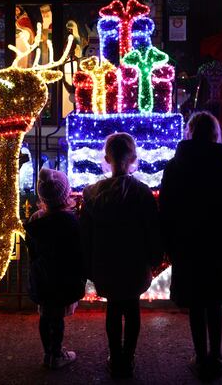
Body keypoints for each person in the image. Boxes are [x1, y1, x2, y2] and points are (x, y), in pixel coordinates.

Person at [159, 111, 222, 381]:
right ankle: (216, 355)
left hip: (187, 243)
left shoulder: (175, 167)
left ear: (190, 132)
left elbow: (166, 208)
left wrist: (167, 243)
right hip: (219, 244)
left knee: (196, 303)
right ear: (215, 134)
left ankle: (201, 356)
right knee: (214, 302)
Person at [81, 133, 161, 378]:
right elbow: (153, 229)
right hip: (135, 262)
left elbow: (85, 234)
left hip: (106, 263)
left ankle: (115, 356)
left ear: (107, 158)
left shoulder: (92, 194)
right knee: (132, 307)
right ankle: (128, 356)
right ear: (133, 158)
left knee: (114, 309)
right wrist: (154, 257)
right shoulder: (142, 193)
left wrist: (88, 264)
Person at [24, 168, 86, 369]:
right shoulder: (70, 221)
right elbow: (78, 251)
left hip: (41, 276)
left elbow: (31, 249)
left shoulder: (35, 220)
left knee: (44, 315)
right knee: (57, 318)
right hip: (62, 278)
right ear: (65, 194)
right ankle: (57, 354)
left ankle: (47, 354)